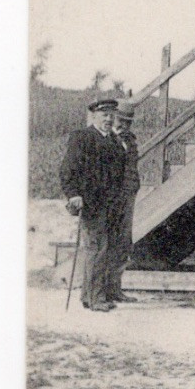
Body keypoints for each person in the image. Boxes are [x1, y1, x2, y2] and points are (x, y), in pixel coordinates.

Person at [60, 98, 128, 312]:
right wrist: (73, 194)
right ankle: (96, 297)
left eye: (111, 115)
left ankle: (90, 296)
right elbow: (67, 169)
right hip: (91, 203)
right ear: (94, 116)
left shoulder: (116, 142)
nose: (108, 119)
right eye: (104, 115)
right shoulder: (82, 137)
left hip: (112, 205)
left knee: (104, 250)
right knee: (96, 249)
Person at [105, 104, 142, 303]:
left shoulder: (130, 140)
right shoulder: (103, 139)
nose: (124, 126)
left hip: (127, 196)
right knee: (107, 241)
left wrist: (134, 187)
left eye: (128, 122)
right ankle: (100, 290)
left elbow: (132, 167)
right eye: (121, 121)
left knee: (123, 242)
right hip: (110, 197)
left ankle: (115, 288)